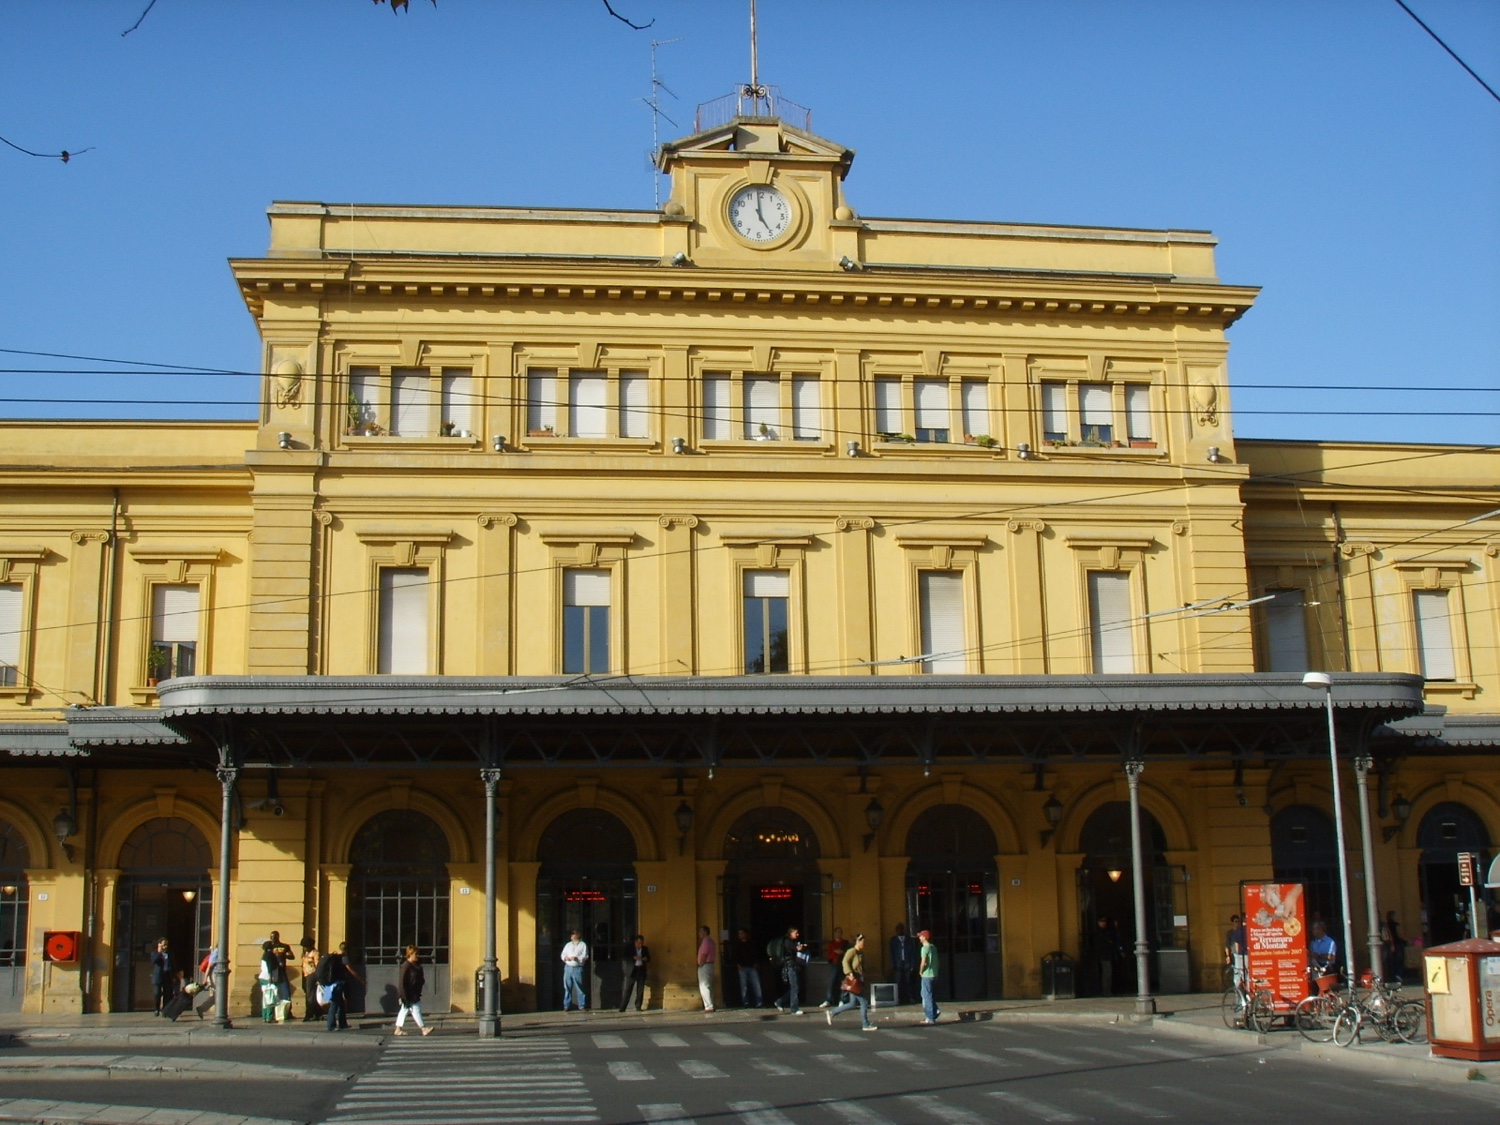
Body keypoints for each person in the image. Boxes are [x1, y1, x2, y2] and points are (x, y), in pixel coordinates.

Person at [824, 933, 877, 1031]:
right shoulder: (852, 951)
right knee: (864, 1002)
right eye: (862, 942)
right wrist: (849, 973)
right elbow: (845, 962)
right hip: (853, 981)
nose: (864, 944)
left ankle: (832, 1012)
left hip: (858, 981)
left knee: (852, 1004)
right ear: (858, 942)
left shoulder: (860, 953)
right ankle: (865, 1024)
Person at [317, 941, 360, 1031]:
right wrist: (361, 979)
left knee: (340, 1004)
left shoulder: (333, 957)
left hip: (331, 983)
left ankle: (343, 1023)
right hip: (338, 983)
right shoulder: (344, 958)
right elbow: (350, 969)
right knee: (335, 1003)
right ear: (347, 950)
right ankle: (331, 1025)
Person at [394, 945, 433, 1036]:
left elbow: (419, 977)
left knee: (405, 1010)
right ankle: (423, 1029)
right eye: (415, 954)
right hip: (409, 993)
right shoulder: (406, 966)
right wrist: (402, 995)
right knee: (415, 1009)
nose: (417, 955)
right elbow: (402, 982)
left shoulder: (416, 965)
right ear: (410, 955)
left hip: (414, 992)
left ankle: (398, 1029)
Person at [772, 925, 808, 1015]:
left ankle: (780, 1001)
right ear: (790, 933)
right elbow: (796, 949)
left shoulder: (787, 941)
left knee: (794, 987)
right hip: (790, 966)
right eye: (796, 933)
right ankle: (794, 1008)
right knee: (795, 987)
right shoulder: (788, 941)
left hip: (791, 966)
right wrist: (802, 947)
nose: (798, 934)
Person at [618, 934, 650, 1012]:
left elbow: (649, 958)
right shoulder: (629, 948)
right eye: (639, 943)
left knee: (640, 990)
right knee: (628, 989)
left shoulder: (645, 949)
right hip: (632, 971)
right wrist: (633, 957)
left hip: (641, 970)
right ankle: (623, 1007)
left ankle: (638, 1006)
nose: (640, 945)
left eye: (642, 943)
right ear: (635, 942)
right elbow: (625, 957)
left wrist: (646, 958)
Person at [820, 926, 850, 1008]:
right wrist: (835, 953)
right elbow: (828, 955)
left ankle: (843, 999)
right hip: (834, 964)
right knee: (832, 982)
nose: (839, 934)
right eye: (837, 932)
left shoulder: (845, 943)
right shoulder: (831, 944)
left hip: (843, 964)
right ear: (835, 933)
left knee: (843, 982)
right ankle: (828, 1000)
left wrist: (842, 952)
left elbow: (848, 953)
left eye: (840, 932)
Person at [561, 929, 589, 1012]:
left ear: (577, 935)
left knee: (579, 987)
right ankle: (566, 1005)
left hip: (578, 968)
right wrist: (565, 958)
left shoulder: (583, 945)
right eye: (571, 934)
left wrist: (577, 958)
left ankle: (582, 1006)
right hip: (568, 967)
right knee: (567, 987)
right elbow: (563, 954)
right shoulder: (568, 945)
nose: (571, 935)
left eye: (573, 934)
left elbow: (585, 956)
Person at [889, 924, 918, 1005]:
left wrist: (912, 964)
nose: (899, 931)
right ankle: (898, 998)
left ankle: (910, 997)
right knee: (898, 981)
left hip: (907, 963)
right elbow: (891, 953)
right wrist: (893, 964)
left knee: (909, 982)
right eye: (898, 930)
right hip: (898, 964)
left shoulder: (909, 940)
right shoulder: (893, 940)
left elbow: (912, 952)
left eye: (901, 929)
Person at [733, 928, 762, 1008]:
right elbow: (735, 956)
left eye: (742, 933)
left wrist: (756, 964)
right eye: (739, 933)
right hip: (742, 967)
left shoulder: (752, 943)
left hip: (752, 967)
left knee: (756, 985)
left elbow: (756, 954)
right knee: (744, 986)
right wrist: (738, 965)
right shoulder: (738, 945)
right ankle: (745, 1002)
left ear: (746, 934)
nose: (740, 935)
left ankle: (759, 1001)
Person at [918, 929, 941, 1025]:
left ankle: (930, 1017)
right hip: (934, 974)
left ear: (924, 937)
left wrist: (920, 971)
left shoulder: (924, 948)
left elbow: (924, 962)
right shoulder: (933, 947)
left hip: (927, 974)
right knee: (927, 994)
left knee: (926, 995)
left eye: (920, 936)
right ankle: (934, 1011)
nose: (919, 937)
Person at [1094, 916, 1121, 996]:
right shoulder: (1099, 932)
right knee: (1107, 973)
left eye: (1104, 922)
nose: (1103, 923)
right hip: (1103, 955)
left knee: (1109, 973)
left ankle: (1108, 990)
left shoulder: (1108, 931)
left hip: (1109, 955)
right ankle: (1106, 991)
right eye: (1101, 922)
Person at [1308, 921, 1339, 990]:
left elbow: (1331, 957)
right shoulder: (1313, 943)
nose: (1313, 931)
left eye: (1314, 929)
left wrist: (1318, 955)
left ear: (1320, 929)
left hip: (1327, 968)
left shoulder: (1330, 942)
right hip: (1315, 969)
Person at [150, 938, 175, 1016]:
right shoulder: (154, 953)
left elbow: (173, 964)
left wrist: (173, 975)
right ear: (159, 944)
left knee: (167, 993)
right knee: (157, 993)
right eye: (164, 945)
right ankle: (156, 1009)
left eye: (166, 945)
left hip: (167, 975)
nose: (165, 947)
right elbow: (154, 961)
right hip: (158, 976)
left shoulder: (169, 953)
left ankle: (165, 1010)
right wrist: (159, 952)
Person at [696, 925, 717, 1013]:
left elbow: (704, 954)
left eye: (701, 931)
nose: (699, 933)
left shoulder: (706, 941)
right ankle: (711, 1004)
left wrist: (700, 963)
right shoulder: (711, 941)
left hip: (705, 965)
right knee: (708, 985)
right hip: (710, 965)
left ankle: (708, 1006)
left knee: (704, 985)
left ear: (705, 932)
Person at [1381, 910, 1406, 983]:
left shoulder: (1386, 925)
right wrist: (1409, 940)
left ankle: (1392, 976)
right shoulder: (1395, 925)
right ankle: (1398, 976)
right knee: (1399, 961)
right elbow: (1399, 934)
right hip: (1397, 944)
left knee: (1391, 962)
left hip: (1388, 945)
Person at [301, 942, 323, 1022]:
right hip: (306, 975)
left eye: (306, 946)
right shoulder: (305, 953)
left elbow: (317, 965)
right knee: (311, 995)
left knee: (310, 996)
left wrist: (318, 977)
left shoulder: (315, 953)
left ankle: (310, 1014)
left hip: (312, 975)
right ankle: (317, 1013)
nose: (304, 948)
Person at [1225, 914, 1246, 986]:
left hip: (1243, 953)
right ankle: (1237, 986)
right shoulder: (1230, 933)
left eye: (1239, 921)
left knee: (1244, 971)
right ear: (1232, 923)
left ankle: (1243, 985)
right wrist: (1227, 956)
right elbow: (1227, 945)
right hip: (1235, 954)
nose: (1238, 923)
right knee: (1237, 971)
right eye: (1236, 921)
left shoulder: (1242, 931)